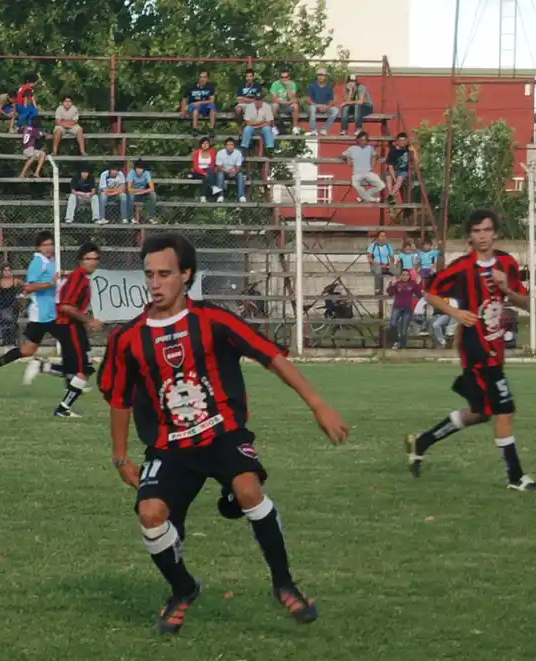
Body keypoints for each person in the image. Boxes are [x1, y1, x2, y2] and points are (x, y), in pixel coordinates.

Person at [101, 231, 350, 635]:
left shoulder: (214, 321)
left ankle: (283, 583)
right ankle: (182, 589)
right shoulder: (128, 338)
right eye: (149, 274)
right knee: (151, 515)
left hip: (223, 435)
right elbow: (118, 397)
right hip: (170, 447)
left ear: (187, 275)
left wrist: (318, 404)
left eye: (165, 273)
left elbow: (271, 358)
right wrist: (119, 456)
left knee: (249, 490)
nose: (155, 283)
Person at [404, 209, 536, 491]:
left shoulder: (507, 263)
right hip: (475, 348)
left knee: (481, 412)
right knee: (505, 410)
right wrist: (456, 312)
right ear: (470, 235)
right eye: (476, 231)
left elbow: (527, 304)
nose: (482, 236)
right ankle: (516, 477)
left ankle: (422, 441)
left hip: (495, 347)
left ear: (495, 233)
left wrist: (508, 291)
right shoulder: (462, 267)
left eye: (487, 230)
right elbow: (429, 292)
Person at [24, 241, 102, 417]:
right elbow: (66, 306)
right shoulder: (78, 278)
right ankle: (63, 409)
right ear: (80, 260)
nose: (93, 262)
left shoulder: (80, 278)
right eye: (88, 258)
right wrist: (89, 320)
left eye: (96, 259)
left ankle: (43, 367)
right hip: (69, 327)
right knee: (84, 370)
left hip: (72, 327)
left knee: (75, 368)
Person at [0, 231, 58, 385]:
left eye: (51, 244)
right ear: (39, 247)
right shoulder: (38, 262)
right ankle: (72, 384)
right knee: (74, 346)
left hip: (51, 311)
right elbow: (28, 288)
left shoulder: (53, 262)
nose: (49, 248)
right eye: (45, 245)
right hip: (43, 313)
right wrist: (50, 284)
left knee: (28, 350)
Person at [388, 267, 419, 349]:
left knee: (403, 330)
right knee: (393, 324)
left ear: (409, 276)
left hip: (407, 308)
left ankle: (403, 347)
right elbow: (390, 294)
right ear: (400, 276)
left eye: (407, 275)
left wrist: (419, 284)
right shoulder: (397, 283)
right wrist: (392, 285)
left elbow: (419, 294)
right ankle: (395, 342)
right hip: (397, 307)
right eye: (403, 275)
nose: (405, 276)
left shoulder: (413, 283)